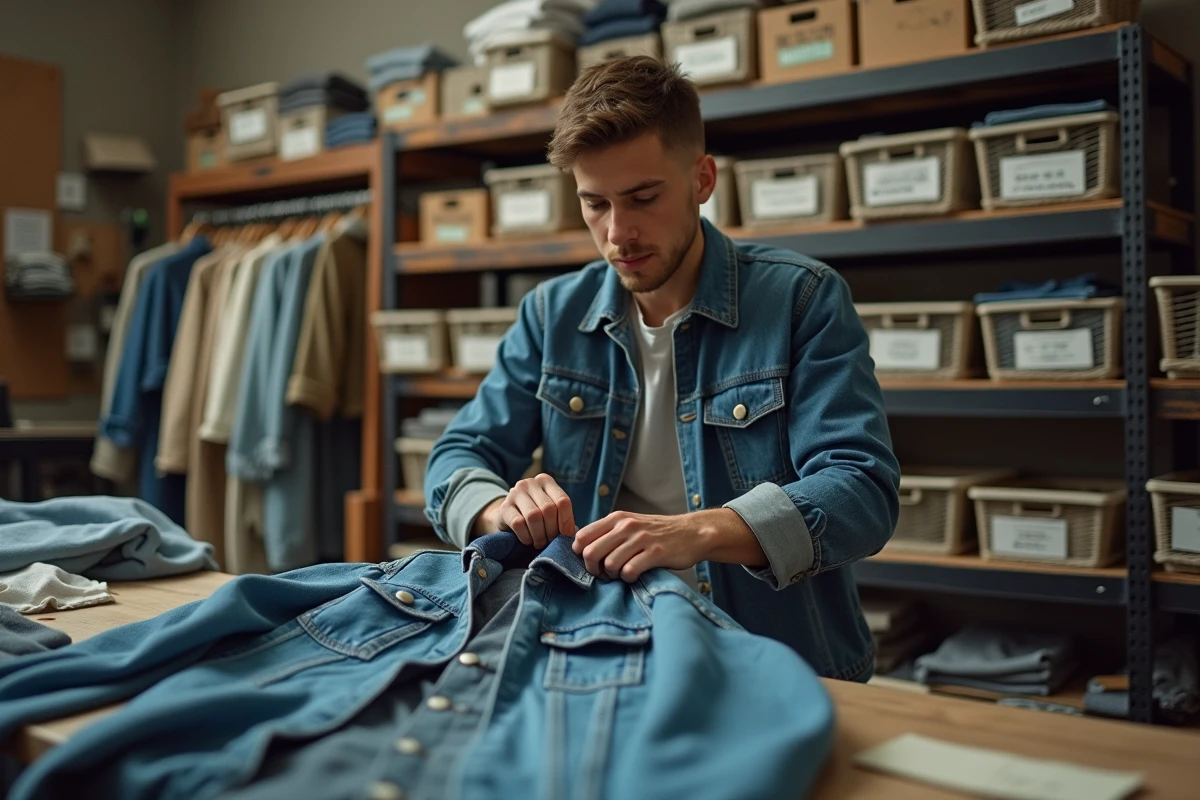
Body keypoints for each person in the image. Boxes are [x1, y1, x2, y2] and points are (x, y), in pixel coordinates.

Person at [424, 56, 899, 681]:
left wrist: (700, 532)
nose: (619, 232)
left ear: (702, 179)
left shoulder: (801, 299)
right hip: (597, 649)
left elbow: (861, 490)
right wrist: (501, 511)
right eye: (594, 204)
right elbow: (457, 454)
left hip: (773, 661)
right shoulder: (550, 314)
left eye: (643, 198)